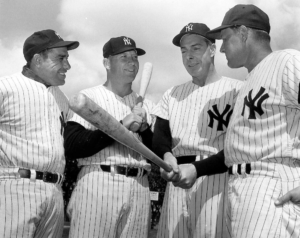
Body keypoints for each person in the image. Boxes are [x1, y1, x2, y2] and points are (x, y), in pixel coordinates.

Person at [171, 4, 300, 238]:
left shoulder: (286, 61)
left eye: (225, 38)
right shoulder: (248, 82)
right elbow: (234, 150)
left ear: (242, 33)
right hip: (241, 188)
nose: (221, 49)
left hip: (272, 185)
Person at [152, 23, 243, 238]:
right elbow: (160, 137)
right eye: (184, 51)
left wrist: (197, 168)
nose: (188, 56)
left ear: (212, 49)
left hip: (217, 180)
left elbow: (237, 145)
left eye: (195, 48)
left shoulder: (236, 90)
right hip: (176, 180)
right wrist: (166, 156)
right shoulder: (172, 93)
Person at [65, 36, 155, 238]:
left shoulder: (147, 106)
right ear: (107, 62)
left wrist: (145, 129)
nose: (132, 62)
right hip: (99, 182)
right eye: (124, 57)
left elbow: (158, 152)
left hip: (140, 186)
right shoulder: (89, 97)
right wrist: (119, 126)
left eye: (134, 57)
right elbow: (72, 145)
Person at [0, 29, 79, 238]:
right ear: (37, 60)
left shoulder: (62, 99)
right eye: (61, 58)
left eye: (67, 58)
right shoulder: (5, 87)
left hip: (55, 192)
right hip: (15, 187)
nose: (67, 66)